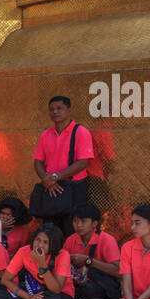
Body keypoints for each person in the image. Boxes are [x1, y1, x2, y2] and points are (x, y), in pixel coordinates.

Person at [0, 223, 76, 299]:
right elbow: (5, 279)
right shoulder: (24, 251)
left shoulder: (63, 255)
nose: (40, 245)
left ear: (53, 245)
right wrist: (28, 297)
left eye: (45, 242)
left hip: (57, 296)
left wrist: (42, 264)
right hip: (33, 293)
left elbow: (56, 289)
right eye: (38, 240)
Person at [32, 94, 95, 235]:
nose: (55, 112)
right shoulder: (45, 134)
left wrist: (56, 176)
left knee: (71, 230)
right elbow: (37, 161)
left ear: (69, 110)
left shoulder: (81, 132)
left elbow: (83, 162)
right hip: (51, 188)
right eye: (52, 109)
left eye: (59, 108)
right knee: (50, 231)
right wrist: (46, 179)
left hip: (73, 189)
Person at [63, 203, 121, 299]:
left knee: (91, 288)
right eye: (75, 221)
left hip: (99, 284)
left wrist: (89, 261)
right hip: (78, 281)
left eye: (83, 221)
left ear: (94, 223)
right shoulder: (71, 240)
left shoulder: (107, 240)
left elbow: (118, 272)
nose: (79, 225)